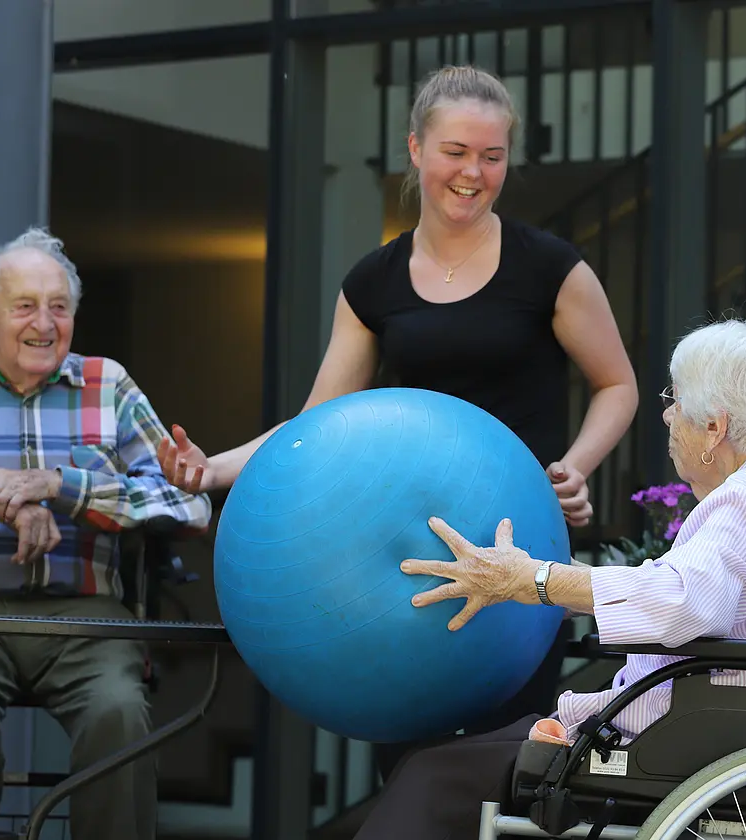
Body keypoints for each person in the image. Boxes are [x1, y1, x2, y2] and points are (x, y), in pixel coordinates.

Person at [157, 64, 639, 774]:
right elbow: (317, 420)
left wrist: (576, 464)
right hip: (403, 553)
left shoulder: (550, 269)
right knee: (409, 760)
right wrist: (213, 470)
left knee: (511, 760)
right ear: (415, 149)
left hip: (518, 548)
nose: (473, 173)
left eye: (492, 156)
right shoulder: (373, 283)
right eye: (456, 152)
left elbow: (618, 384)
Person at [350, 319, 746, 840]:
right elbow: (720, 593)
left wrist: (535, 579)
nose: (667, 414)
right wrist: (563, 585)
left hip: (691, 728)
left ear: (715, 428)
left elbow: (680, 602)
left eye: (674, 400)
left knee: (430, 774)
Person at [0, 227, 212, 840]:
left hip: (85, 616)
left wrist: (60, 487)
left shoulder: (109, 386)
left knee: (119, 712)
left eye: (59, 307)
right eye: (24, 306)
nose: (44, 323)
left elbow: (189, 502)